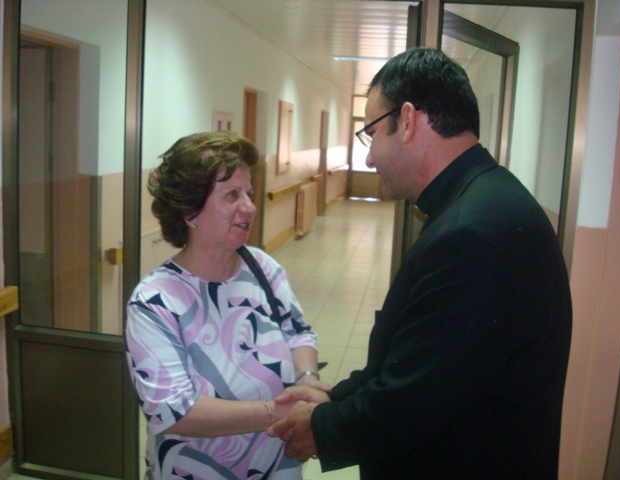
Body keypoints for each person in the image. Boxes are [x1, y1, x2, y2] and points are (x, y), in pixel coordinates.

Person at [268, 47, 572, 479]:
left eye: (371, 133)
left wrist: (320, 426)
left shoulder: (470, 235)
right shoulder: (486, 200)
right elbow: (424, 355)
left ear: (407, 121)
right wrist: (337, 397)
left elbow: (416, 400)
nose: (369, 157)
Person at [125, 131, 329, 480]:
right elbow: (175, 411)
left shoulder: (261, 267)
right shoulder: (155, 301)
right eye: (232, 195)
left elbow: (297, 332)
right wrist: (279, 411)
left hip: (277, 465)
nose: (249, 206)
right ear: (190, 211)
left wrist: (308, 380)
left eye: (248, 193)